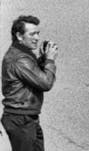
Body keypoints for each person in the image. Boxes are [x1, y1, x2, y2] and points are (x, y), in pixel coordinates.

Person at [2, 15, 58, 151]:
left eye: (38, 33)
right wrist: (50, 61)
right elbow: (45, 83)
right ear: (19, 36)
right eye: (32, 34)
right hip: (21, 120)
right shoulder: (20, 59)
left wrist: (42, 60)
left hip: (26, 118)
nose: (37, 38)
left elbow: (31, 76)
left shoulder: (22, 54)